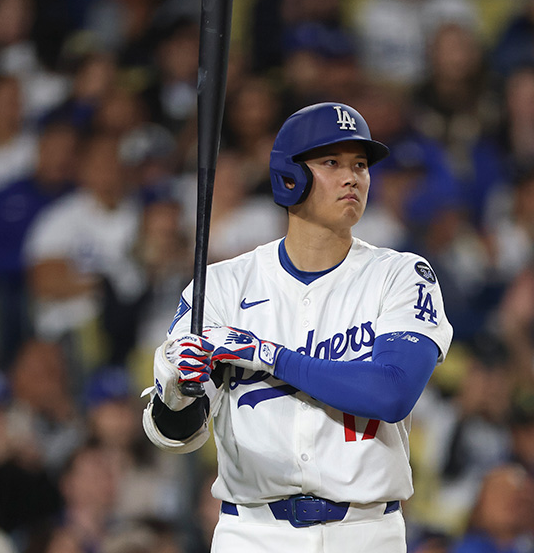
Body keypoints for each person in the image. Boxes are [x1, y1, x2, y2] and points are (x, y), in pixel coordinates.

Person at [142, 102, 453, 552]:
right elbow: (180, 435)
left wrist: (268, 354)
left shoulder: (401, 274)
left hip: (365, 532)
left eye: (360, 165)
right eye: (332, 163)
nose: (353, 178)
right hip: (252, 532)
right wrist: (177, 391)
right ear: (290, 176)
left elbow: (392, 393)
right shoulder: (223, 287)